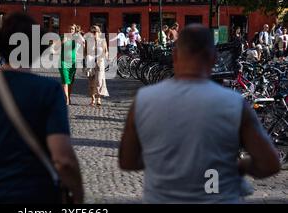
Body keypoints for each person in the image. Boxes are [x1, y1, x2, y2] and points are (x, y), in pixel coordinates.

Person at [119, 24, 280, 203]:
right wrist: (239, 166)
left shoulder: (145, 99)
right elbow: (270, 163)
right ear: (213, 59)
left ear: (175, 57)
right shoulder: (233, 103)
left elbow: (127, 160)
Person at [0, 12, 84, 204]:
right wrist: (78, 198)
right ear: (37, 49)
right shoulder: (49, 91)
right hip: (33, 196)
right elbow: (63, 159)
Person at [57, 24, 85, 105]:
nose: (70, 30)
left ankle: (68, 97)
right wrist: (64, 40)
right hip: (63, 62)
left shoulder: (76, 38)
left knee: (70, 82)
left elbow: (83, 42)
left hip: (73, 62)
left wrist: (78, 34)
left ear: (75, 30)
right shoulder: (63, 36)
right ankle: (66, 99)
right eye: (69, 28)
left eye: (72, 29)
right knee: (65, 80)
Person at [85, 25, 109, 106]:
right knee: (91, 82)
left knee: (99, 81)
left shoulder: (102, 40)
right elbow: (85, 52)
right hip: (90, 62)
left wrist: (103, 58)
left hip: (100, 62)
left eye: (95, 32)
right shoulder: (88, 40)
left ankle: (98, 98)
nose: (93, 33)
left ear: (99, 32)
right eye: (92, 32)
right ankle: (93, 99)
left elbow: (106, 51)